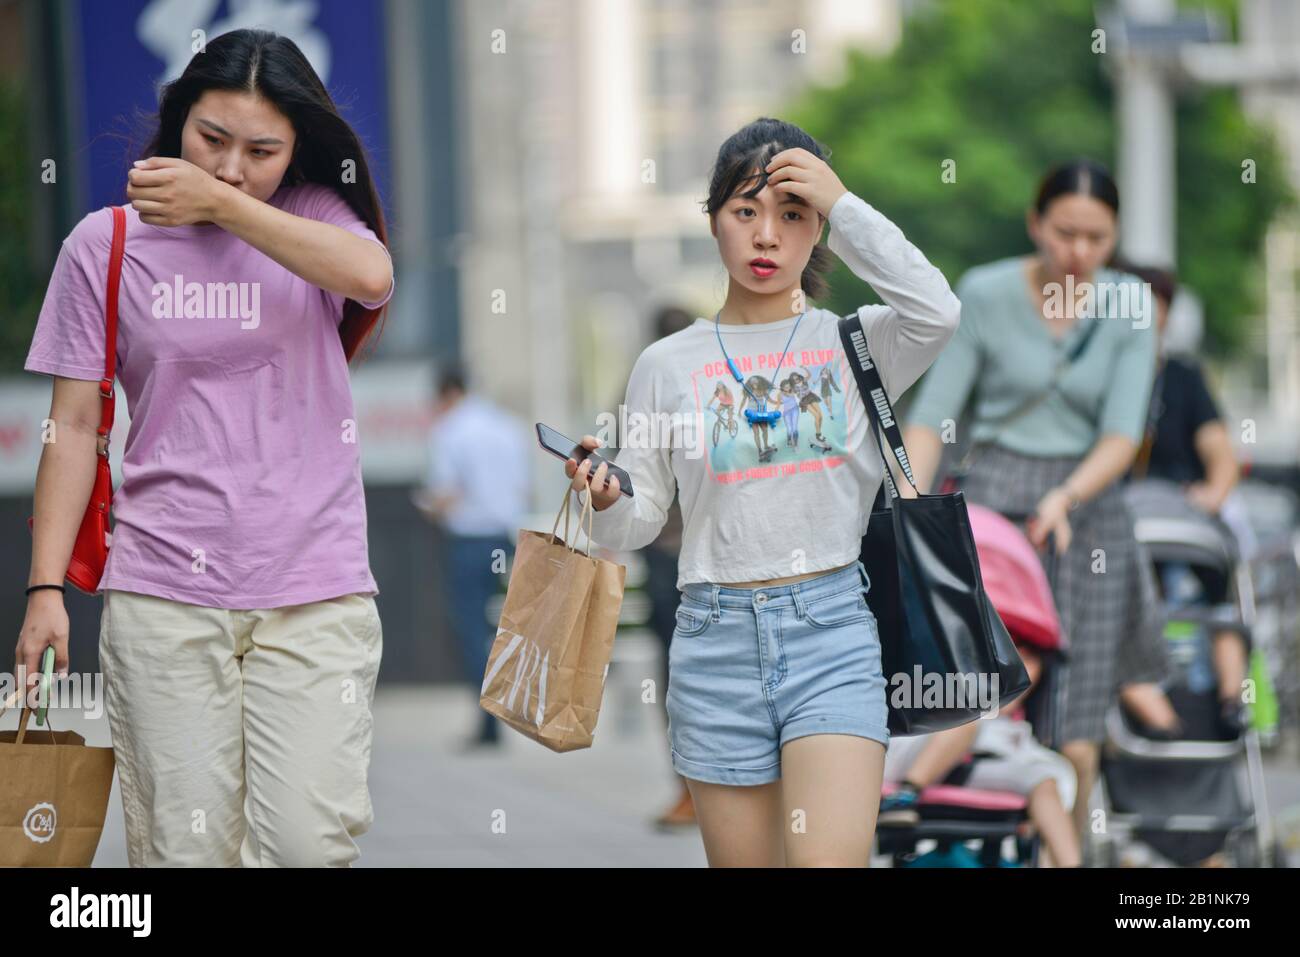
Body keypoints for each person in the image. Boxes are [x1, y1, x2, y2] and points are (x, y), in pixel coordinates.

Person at [17, 29, 394, 866]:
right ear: (177, 117)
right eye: (211, 139)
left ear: (297, 150)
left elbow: (370, 277)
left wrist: (225, 207)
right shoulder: (104, 245)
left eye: (262, 151)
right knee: (184, 852)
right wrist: (46, 588)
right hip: (161, 589)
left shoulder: (313, 221)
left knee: (306, 842)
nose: (231, 168)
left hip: (314, 587)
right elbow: (73, 428)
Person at [561, 118, 960, 867]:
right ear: (713, 221)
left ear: (820, 231)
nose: (767, 236)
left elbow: (938, 309)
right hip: (714, 640)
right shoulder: (666, 364)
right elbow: (636, 526)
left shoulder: (853, 343)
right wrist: (604, 495)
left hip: (833, 631)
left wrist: (842, 202)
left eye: (792, 215)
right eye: (746, 212)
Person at [901, 159, 1170, 845]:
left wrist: (1066, 496)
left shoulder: (1129, 304)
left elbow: (1122, 431)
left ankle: (1068, 850)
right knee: (979, 698)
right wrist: (905, 501)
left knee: (1076, 733)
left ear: (1114, 239)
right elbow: (935, 415)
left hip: (1088, 510)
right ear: (1035, 224)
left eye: (1096, 238)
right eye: (1064, 232)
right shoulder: (986, 293)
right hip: (993, 507)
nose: (1078, 252)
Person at [1117, 263, 1250, 740]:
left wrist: (1210, 501)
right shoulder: (1100, 379)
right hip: (1120, 527)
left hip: (1183, 521)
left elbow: (1221, 458)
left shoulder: (1184, 379)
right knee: (1114, 603)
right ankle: (1159, 717)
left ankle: (1231, 700)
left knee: (1221, 594)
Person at [881, 643, 1081, 867]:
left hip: (977, 765)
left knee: (1045, 782)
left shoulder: (1014, 715)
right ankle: (904, 797)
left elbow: (1008, 698)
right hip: (921, 749)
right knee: (967, 721)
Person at [421, 364, 530, 749]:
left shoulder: (451, 431)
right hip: (506, 539)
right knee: (503, 629)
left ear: (447, 394)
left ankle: (488, 724)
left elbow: (446, 494)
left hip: (469, 541)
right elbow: (523, 488)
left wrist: (428, 507)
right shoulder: (507, 427)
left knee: (471, 631)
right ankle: (512, 712)